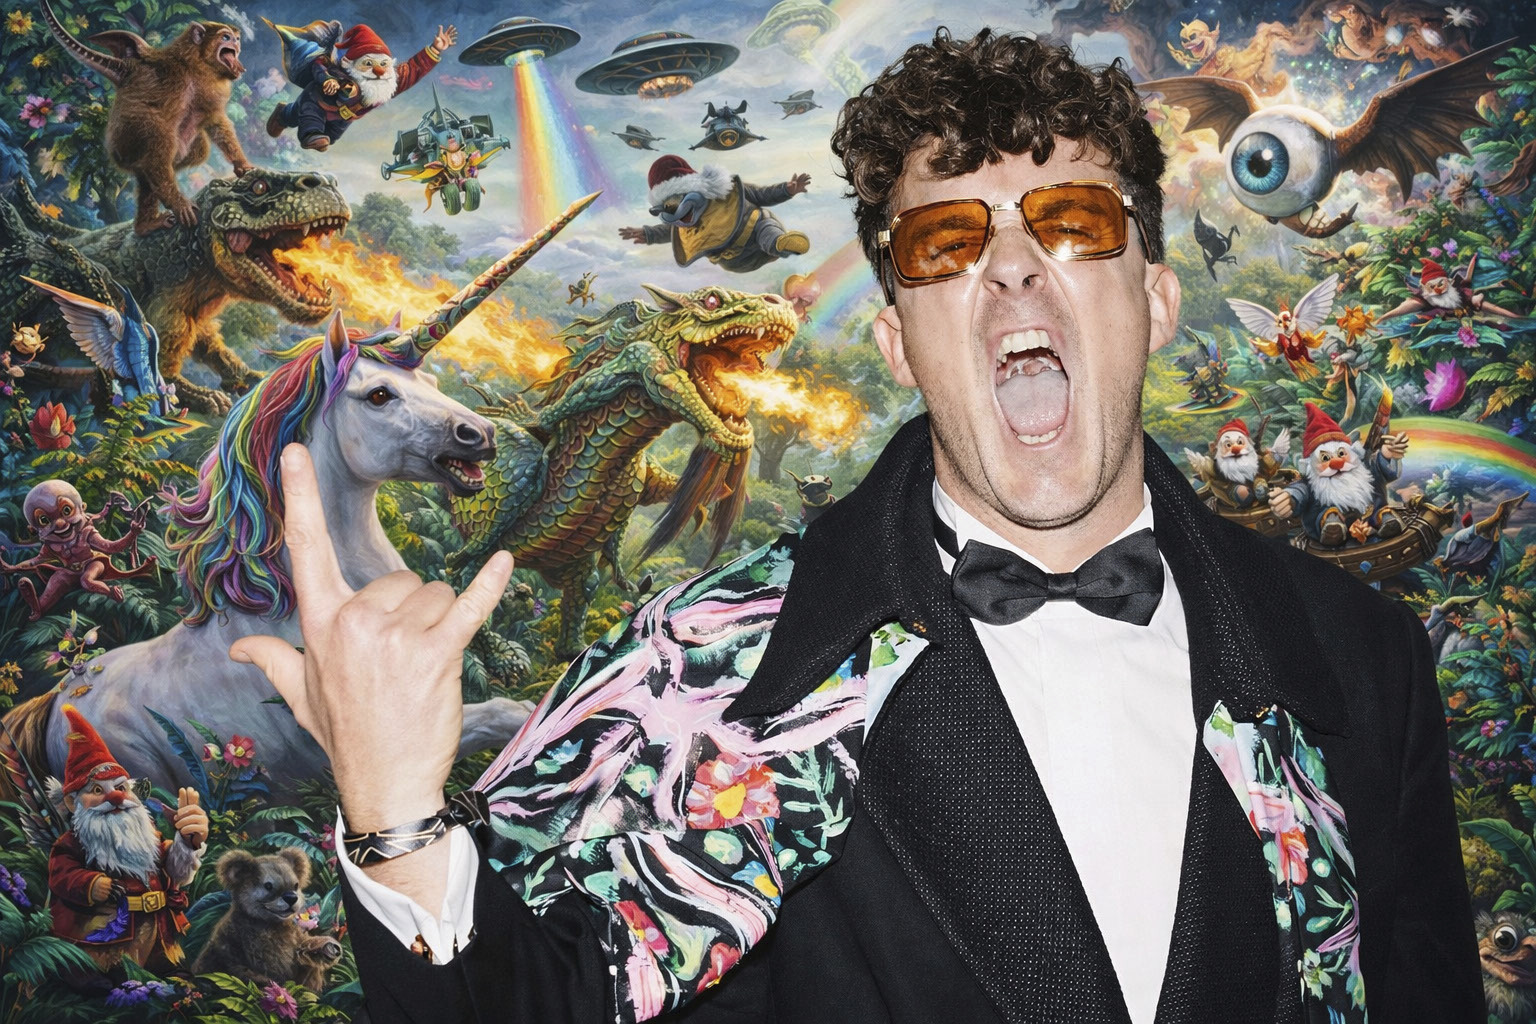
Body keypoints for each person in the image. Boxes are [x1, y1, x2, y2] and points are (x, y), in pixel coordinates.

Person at [230, 27, 1481, 1024]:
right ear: (897, 341)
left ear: (1152, 298)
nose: (1014, 270)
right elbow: (524, 998)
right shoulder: (705, 664)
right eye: (947, 242)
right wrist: (394, 812)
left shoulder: (1360, 653)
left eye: (1073, 225)